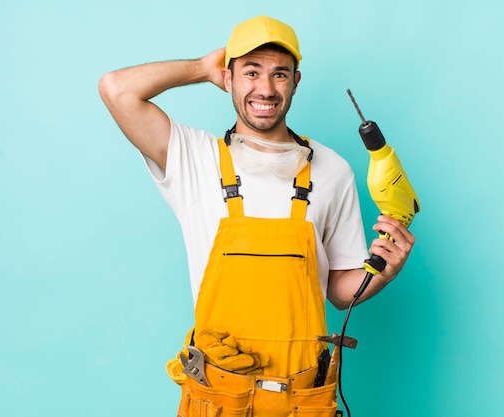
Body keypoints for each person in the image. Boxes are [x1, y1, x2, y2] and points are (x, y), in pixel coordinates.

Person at [99, 15, 415, 417]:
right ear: (228, 77)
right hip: (218, 393)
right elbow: (116, 89)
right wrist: (201, 68)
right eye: (251, 71)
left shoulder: (332, 170)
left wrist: (382, 272)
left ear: (296, 82)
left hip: (302, 397)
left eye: (279, 74)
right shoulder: (194, 158)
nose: (265, 88)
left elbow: (339, 292)